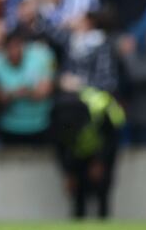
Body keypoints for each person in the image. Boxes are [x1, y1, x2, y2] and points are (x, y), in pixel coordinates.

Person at [51, 89, 124, 218]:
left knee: (102, 185)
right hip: (78, 152)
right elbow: (59, 147)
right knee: (77, 189)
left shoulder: (99, 110)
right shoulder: (57, 117)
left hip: (102, 146)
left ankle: (103, 217)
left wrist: (100, 162)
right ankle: (78, 218)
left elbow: (112, 139)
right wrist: (68, 173)